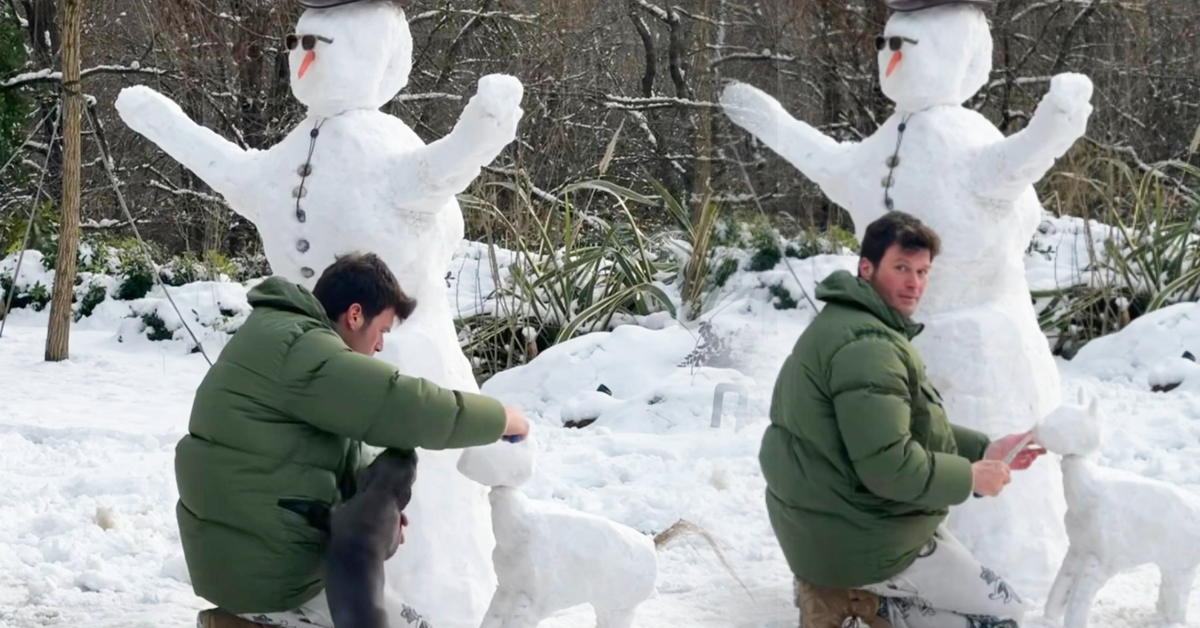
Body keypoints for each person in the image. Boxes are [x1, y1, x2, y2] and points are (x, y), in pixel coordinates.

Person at [179, 252, 529, 628]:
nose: (379, 346)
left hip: (234, 559)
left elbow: (310, 451)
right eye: (382, 330)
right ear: (355, 314)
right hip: (271, 576)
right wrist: (501, 418)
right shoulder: (305, 350)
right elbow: (405, 406)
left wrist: (375, 517)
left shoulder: (277, 335)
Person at [761, 212, 1046, 628]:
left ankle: (849, 594)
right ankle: (862, 602)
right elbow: (888, 465)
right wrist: (969, 477)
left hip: (833, 524)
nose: (915, 283)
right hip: (860, 535)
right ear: (866, 268)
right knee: (1002, 614)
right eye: (901, 268)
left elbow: (901, 428)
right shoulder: (868, 346)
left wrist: (984, 449)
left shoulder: (854, 325)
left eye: (923, 271)